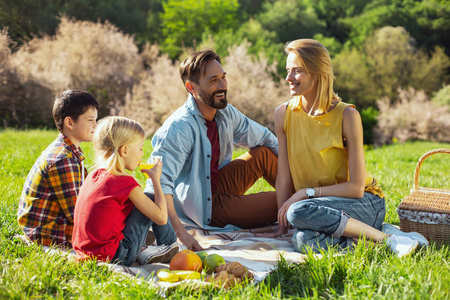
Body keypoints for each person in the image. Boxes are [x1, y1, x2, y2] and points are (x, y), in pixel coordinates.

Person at [260, 39, 428, 257]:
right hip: (318, 209)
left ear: (318, 72)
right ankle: (374, 236)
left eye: (297, 71)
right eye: (288, 70)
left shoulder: (347, 115)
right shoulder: (283, 114)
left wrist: (305, 193)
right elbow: (283, 176)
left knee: (298, 210)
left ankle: (387, 238)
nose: (288, 78)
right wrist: (283, 227)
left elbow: (356, 188)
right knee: (302, 240)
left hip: (364, 204)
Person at [144, 49, 279, 251]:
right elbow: (159, 182)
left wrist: (306, 179)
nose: (223, 85)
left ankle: (310, 199)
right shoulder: (179, 127)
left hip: (219, 186)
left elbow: (266, 138)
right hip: (205, 209)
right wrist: (180, 234)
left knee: (265, 154)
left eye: (223, 77)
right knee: (283, 202)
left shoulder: (225, 113)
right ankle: (307, 206)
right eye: (213, 80)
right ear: (191, 87)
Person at [72, 116, 179, 266]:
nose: (142, 154)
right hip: (118, 256)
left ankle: (142, 239)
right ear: (124, 150)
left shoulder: (93, 176)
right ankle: (169, 244)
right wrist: (156, 179)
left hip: (87, 253)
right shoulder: (126, 183)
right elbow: (161, 217)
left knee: (132, 204)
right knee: (150, 197)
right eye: (140, 148)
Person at [17, 90, 99, 247]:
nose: (95, 125)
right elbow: (78, 214)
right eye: (90, 120)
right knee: (111, 228)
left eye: (95, 119)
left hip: (50, 224)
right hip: (48, 232)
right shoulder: (63, 160)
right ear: (69, 122)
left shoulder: (67, 150)